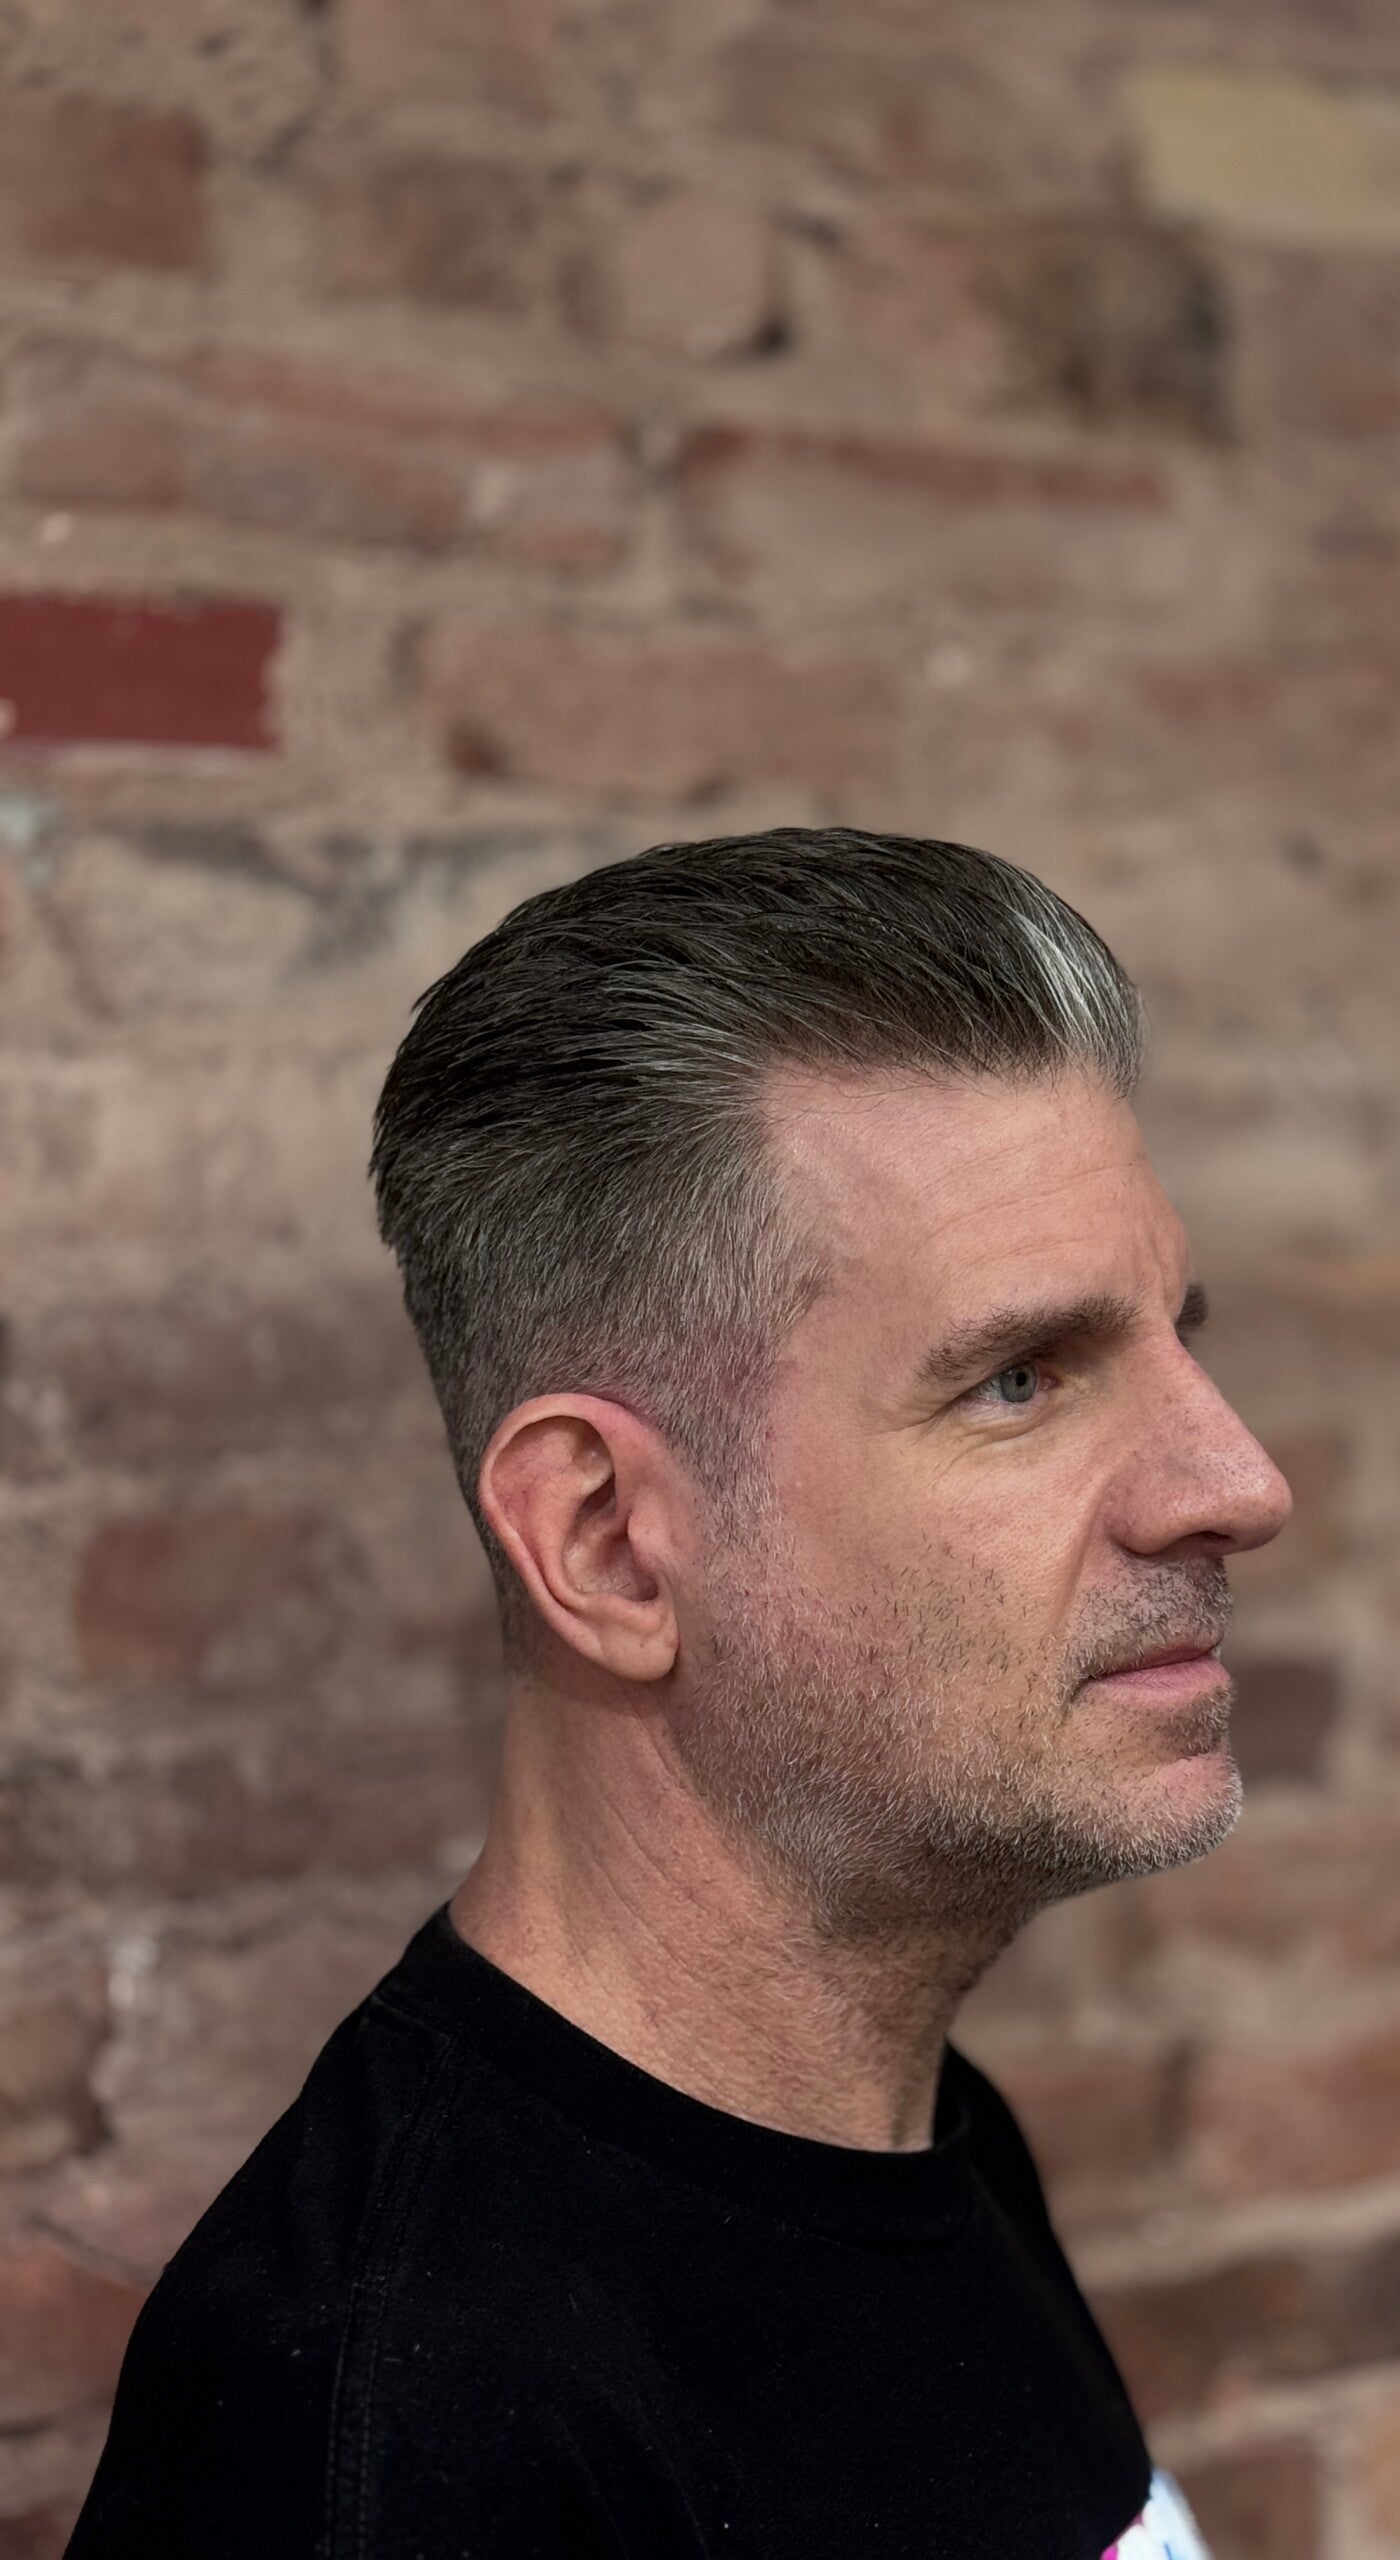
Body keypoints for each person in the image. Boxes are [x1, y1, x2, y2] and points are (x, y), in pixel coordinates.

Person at [68, 828, 1292, 2559]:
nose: (1238, 1481)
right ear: (610, 1545)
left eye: (1182, 1335)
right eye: (1021, 1378)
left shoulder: (912, 2141)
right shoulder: (410, 2434)